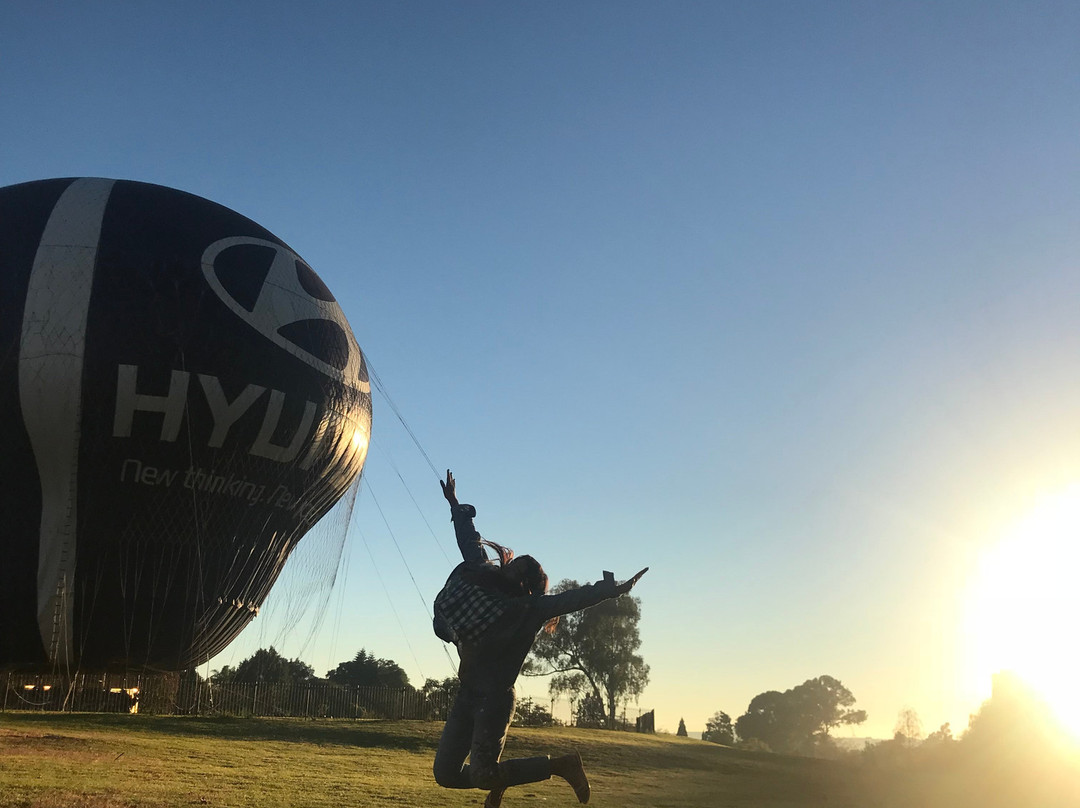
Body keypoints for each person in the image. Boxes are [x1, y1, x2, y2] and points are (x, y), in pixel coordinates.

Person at [431, 470, 647, 808]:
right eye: (512, 564)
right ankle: (501, 777)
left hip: (494, 699)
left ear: (524, 585)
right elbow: (469, 541)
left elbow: (570, 600)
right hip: (467, 694)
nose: (508, 569)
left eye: (516, 571)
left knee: (483, 775)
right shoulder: (484, 574)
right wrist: (455, 503)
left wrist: (612, 590)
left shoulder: (526, 609)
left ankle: (561, 765)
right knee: (445, 774)